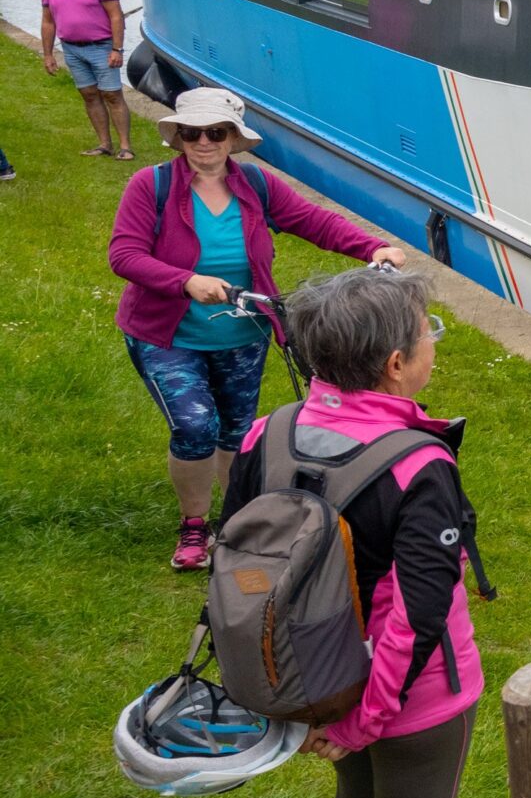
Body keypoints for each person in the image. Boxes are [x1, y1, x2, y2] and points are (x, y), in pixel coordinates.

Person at [223, 266, 491, 798]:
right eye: (424, 334)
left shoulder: (265, 432)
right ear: (394, 366)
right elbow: (417, 615)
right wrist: (367, 720)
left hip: (306, 678)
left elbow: (239, 565)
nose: (430, 345)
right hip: (409, 696)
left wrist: (312, 710)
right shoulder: (416, 463)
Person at [109, 88, 405, 570]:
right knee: (194, 426)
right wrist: (186, 282)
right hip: (167, 334)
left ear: (232, 139)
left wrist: (372, 247)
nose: (203, 141)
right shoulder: (151, 185)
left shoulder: (256, 186)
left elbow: (314, 221)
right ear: (179, 136)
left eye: (215, 132)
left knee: (236, 432)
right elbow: (124, 255)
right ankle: (193, 526)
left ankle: (235, 522)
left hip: (241, 333)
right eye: (192, 132)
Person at [41, 0, 135, 160]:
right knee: (89, 95)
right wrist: (47, 54)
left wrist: (117, 49)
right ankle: (104, 144)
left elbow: (115, 15)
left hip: (101, 46)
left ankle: (125, 147)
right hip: (71, 49)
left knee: (112, 95)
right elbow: (48, 20)